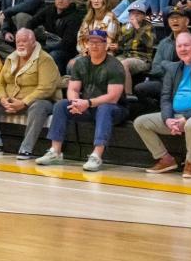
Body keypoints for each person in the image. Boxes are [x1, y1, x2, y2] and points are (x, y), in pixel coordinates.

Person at [37, 29, 129, 172]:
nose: (94, 45)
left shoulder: (115, 66)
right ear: (86, 44)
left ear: (106, 45)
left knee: (104, 108)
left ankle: (96, 155)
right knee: (61, 105)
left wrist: (88, 103)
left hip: (115, 109)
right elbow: (73, 89)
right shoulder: (80, 63)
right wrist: (75, 103)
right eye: (91, 42)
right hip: (88, 106)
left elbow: (113, 97)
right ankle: (55, 151)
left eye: (98, 42)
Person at [132, 33, 191, 179]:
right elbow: (165, 98)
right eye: (179, 46)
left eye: (186, 45)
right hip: (176, 116)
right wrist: (168, 119)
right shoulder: (172, 69)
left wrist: (185, 118)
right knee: (140, 122)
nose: (183, 49)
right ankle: (165, 159)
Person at [0, 28, 60, 158]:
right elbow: (0, 83)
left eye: (24, 41)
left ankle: (26, 148)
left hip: (37, 102)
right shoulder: (11, 58)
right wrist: (2, 99)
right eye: (18, 42)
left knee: (38, 107)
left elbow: (46, 88)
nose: (20, 44)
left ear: (33, 42)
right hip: (11, 101)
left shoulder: (45, 59)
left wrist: (23, 102)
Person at [8, 0, 81, 73]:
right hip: (49, 42)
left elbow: (67, 43)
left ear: (70, 0)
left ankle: (56, 77)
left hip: (65, 50)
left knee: (53, 55)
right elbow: (32, 22)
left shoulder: (74, 17)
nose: (60, 1)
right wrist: (28, 36)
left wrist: (44, 48)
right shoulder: (50, 9)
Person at [115, 2, 156, 95]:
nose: (135, 16)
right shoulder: (125, 26)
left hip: (142, 58)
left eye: (138, 14)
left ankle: (128, 95)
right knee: (109, 62)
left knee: (124, 64)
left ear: (144, 16)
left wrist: (137, 27)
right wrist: (116, 46)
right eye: (132, 13)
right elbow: (120, 45)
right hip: (125, 55)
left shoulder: (149, 27)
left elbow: (150, 43)